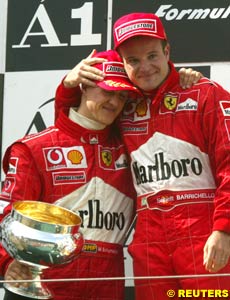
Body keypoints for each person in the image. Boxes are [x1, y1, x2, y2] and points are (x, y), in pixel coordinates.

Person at [54, 12, 230, 300]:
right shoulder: (122, 104)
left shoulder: (204, 94)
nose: (145, 67)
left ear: (167, 51)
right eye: (133, 61)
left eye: (151, 56)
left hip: (203, 232)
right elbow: (76, 133)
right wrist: (67, 87)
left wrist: (224, 230)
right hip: (150, 238)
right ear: (123, 64)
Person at [0, 50, 139, 300]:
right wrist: (6, 262)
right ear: (83, 85)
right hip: (45, 286)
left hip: (107, 288)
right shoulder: (34, 149)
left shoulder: (132, 148)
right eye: (107, 91)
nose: (115, 103)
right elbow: (7, 216)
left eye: (122, 96)